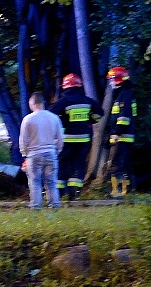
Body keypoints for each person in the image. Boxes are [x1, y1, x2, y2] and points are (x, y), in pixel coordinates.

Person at [49, 73, 103, 200]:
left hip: (67, 139)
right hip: (84, 139)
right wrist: (89, 121)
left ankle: (60, 192)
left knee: (62, 163)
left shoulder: (63, 102)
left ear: (65, 87)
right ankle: (75, 193)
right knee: (78, 164)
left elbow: (51, 116)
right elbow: (99, 114)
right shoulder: (87, 101)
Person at [19, 92, 64, 209]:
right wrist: (57, 150)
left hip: (34, 155)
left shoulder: (28, 119)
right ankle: (54, 205)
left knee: (35, 182)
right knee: (51, 182)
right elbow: (60, 138)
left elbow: (23, 139)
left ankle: (36, 207)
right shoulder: (54, 118)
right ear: (43, 103)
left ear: (33, 103)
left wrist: (24, 154)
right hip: (51, 153)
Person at [107, 66, 137, 197]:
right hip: (125, 137)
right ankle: (126, 190)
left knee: (117, 165)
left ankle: (118, 192)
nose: (110, 83)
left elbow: (123, 118)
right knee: (124, 165)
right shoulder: (125, 93)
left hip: (122, 137)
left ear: (118, 80)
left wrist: (116, 133)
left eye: (112, 79)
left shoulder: (124, 95)